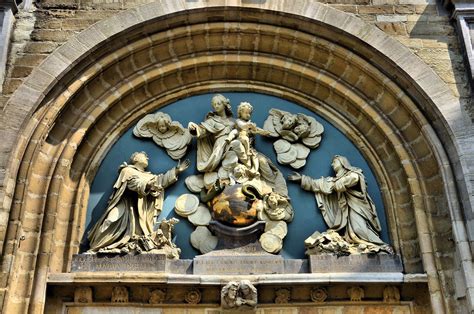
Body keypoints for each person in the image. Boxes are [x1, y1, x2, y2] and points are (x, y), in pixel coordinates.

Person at [87, 152, 189, 255]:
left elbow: (160, 181)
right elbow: (133, 184)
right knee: (110, 220)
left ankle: (130, 246)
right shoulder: (127, 171)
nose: (147, 158)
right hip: (125, 205)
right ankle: (95, 249)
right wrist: (147, 184)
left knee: (139, 235)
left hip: (140, 210)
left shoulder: (147, 176)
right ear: (135, 158)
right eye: (144, 156)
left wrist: (176, 171)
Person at [288, 155, 389, 251]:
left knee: (359, 229)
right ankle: (360, 245)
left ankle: (380, 246)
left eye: (334, 162)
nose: (332, 165)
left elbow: (354, 179)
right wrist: (301, 179)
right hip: (346, 210)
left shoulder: (354, 173)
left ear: (342, 163)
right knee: (353, 232)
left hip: (357, 207)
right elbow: (318, 184)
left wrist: (338, 184)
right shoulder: (334, 181)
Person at [188, 94, 235, 172]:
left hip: (232, 144)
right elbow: (203, 130)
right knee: (218, 153)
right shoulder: (211, 120)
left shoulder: (233, 121)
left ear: (224, 104)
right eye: (214, 105)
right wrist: (195, 128)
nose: (216, 106)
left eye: (218, 104)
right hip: (220, 144)